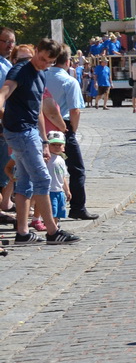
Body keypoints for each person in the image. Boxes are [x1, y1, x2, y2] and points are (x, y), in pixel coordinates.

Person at [0, 39, 73, 245]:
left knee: (25, 183)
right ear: (36, 50)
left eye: (49, 62)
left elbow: (38, 110)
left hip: (31, 132)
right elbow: (4, 91)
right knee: (42, 179)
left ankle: (23, 233)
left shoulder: (41, 74)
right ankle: (52, 231)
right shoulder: (20, 70)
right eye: (41, 59)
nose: (43, 64)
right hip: (20, 132)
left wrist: (43, 141)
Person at [45, 48, 93, 221]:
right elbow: (75, 110)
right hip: (62, 125)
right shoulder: (69, 81)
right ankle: (78, 207)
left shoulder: (42, 75)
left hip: (41, 124)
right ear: (67, 62)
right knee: (76, 169)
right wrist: (72, 129)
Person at [44, 131, 69, 221]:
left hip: (59, 190)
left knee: (59, 211)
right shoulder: (47, 158)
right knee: (52, 211)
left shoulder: (61, 159)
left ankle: (56, 225)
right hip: (50, 190)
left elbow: (63, 176)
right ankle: (53, 227)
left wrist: (67, 190)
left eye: (59, 145)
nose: (57, 147)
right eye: (53, 144)